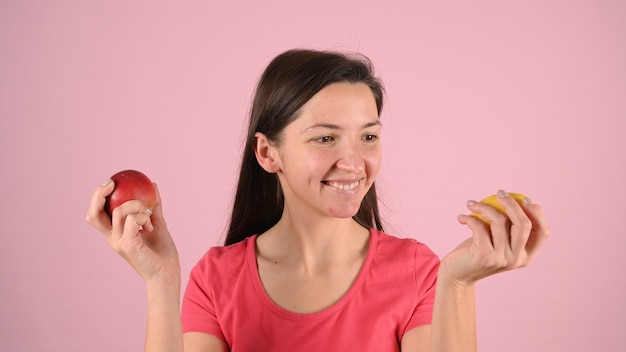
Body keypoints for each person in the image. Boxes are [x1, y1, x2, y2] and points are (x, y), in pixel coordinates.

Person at [86, 49, 550, 352]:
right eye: (326, 137)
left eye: (368, 136)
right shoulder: (216, 279)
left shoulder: (419, 272)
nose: (353, 161)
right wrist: (161, 280)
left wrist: (458, 285)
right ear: (268, 153)